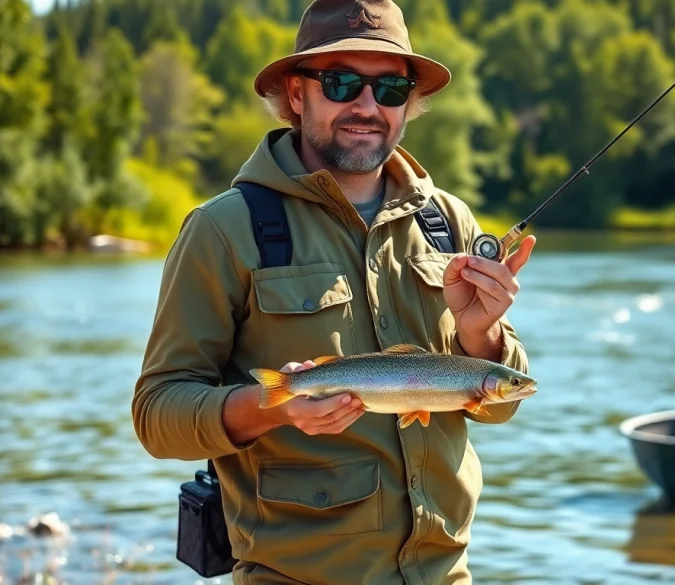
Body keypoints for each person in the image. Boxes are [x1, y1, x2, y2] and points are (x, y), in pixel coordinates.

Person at [131, 1, 537, 583]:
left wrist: (482, 334)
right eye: (342, 83)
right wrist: (272, 408)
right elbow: (156, 414)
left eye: (390, 89)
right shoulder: (223, 229)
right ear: (297, 94)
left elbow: (501, 405)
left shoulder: (449, 222)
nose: (368, 107)